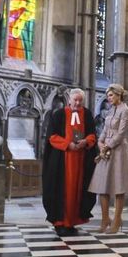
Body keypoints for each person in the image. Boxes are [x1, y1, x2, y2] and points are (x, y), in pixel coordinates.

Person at [42, 88, 97, 236]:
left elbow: (93, 134)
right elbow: (52, 137)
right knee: (62, 191)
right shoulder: (59, 114)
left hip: (81, 161)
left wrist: (85, 141)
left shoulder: (87, 114)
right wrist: (68, 144)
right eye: (75, 100)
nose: (78, 103)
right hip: (63, 161)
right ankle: (60, 223)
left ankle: (72, 222)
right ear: (69, 100)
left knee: (79, 192)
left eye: (80, 100)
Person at [88, 84, 128, 234]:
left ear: (119, 95)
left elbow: (121, 134)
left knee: (119, 188)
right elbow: (105, 130)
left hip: (118, 151)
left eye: (111, 95)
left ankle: (117, 219)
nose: (109, 98)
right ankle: (105, 219)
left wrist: (108, 146)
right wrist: (100, 144)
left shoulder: (125, 110)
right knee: (102, 186)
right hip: (105, 150)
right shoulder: (111, 110)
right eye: (108, 96)